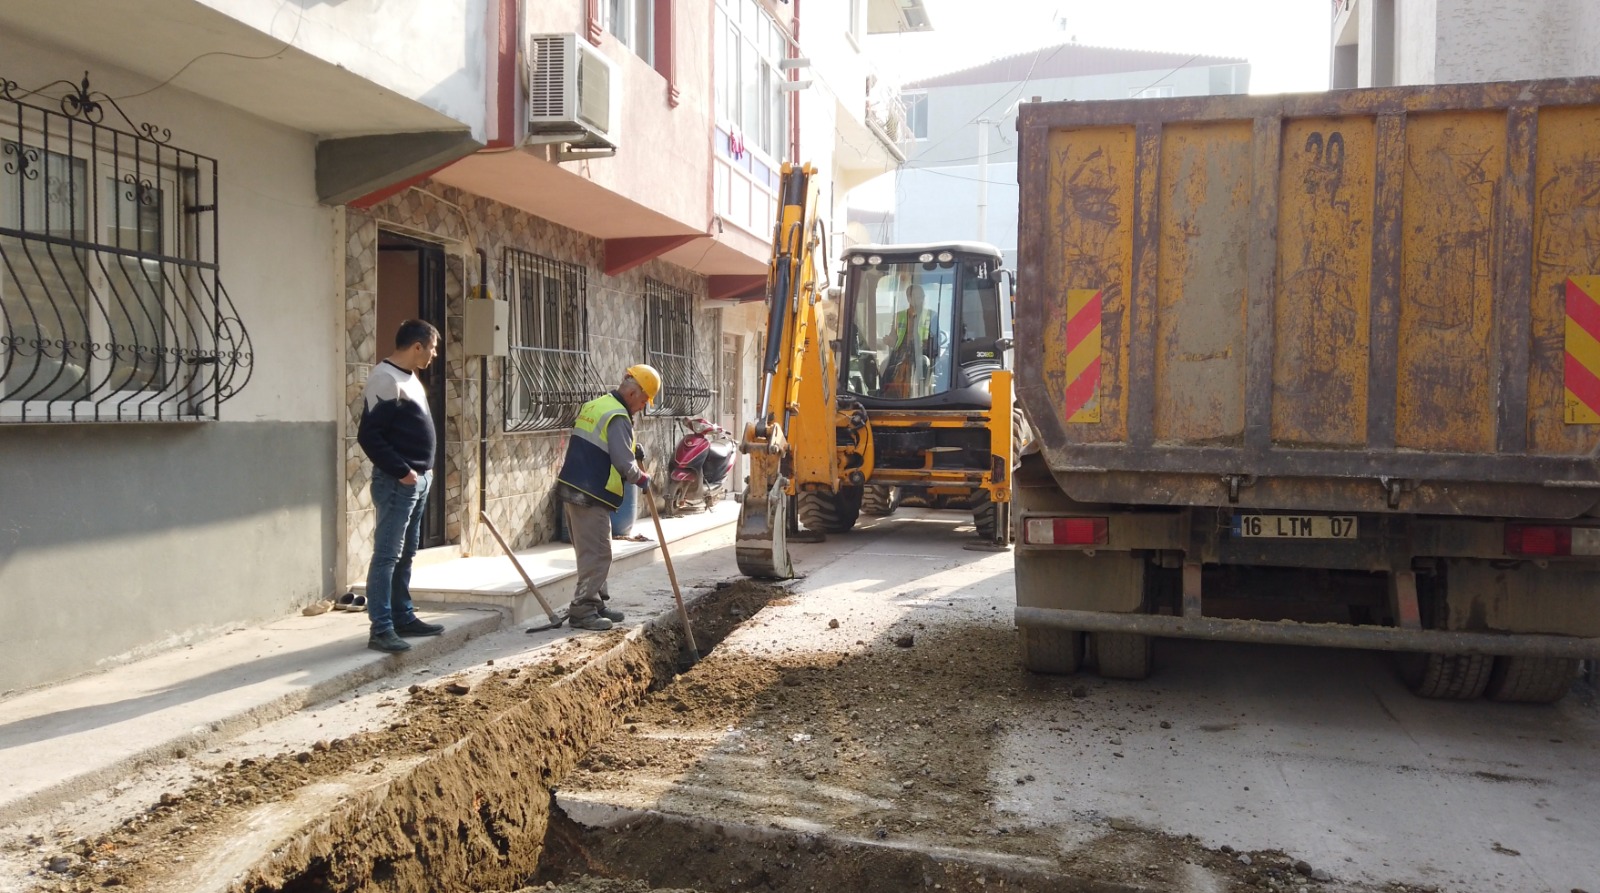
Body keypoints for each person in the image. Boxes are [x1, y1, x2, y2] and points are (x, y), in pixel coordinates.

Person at [357, 320, 446, 653]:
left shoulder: (410, 377)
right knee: (387, 555)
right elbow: (369, 435)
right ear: (417, 346)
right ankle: (381, 629)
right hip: (399, 483)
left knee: (406, 553)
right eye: (432, 348)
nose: (434, 355)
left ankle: (402, 616)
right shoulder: (385, 378)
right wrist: (402, 471)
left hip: (418, 480)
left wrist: (422, 473)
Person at [556, 364, 661, 631]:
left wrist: (629, 446)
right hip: (589, 492)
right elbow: (623, 463)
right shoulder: (618, 416)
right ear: (633, 393)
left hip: (575, 486)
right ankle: (583, 609)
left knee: (591, 550)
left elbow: (603, 444)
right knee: (599, 553)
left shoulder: (597, 405)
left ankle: (596, 603)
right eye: (644, 401)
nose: (642, 407)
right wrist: (642, 478)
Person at [882, 284, 943, 397]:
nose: (921, 299)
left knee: (924, 363)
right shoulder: (899, 316)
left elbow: (935, 343)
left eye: (922, 296)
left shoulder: (932, 315)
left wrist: (926, 345)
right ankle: (885, 395)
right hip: (900, 354)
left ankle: (922, 394)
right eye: (917, 296)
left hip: (921, 353)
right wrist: (889, 340)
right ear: (909, 298)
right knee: (884, 366)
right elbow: (894, 338)